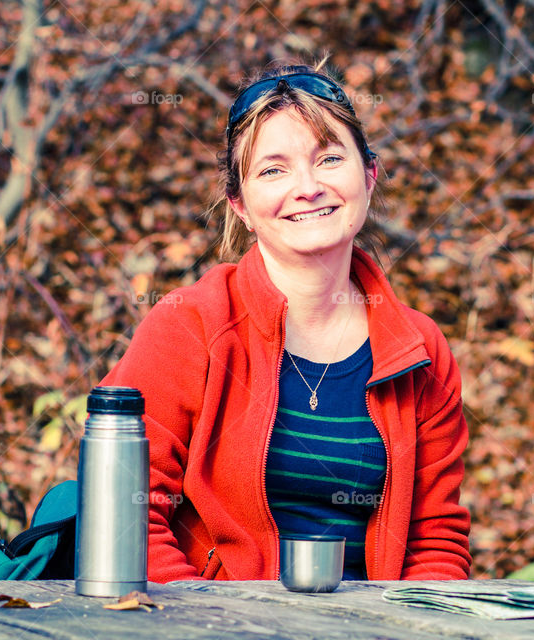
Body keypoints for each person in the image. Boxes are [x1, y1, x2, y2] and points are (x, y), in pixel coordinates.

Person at [98, 59, 471, 582]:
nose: (308, 187)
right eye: (273, 170)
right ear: (241, 205)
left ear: (369, 175)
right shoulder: (191, 326)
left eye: (330, 159)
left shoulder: (419, 348)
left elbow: (436, 541)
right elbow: (126, 514)